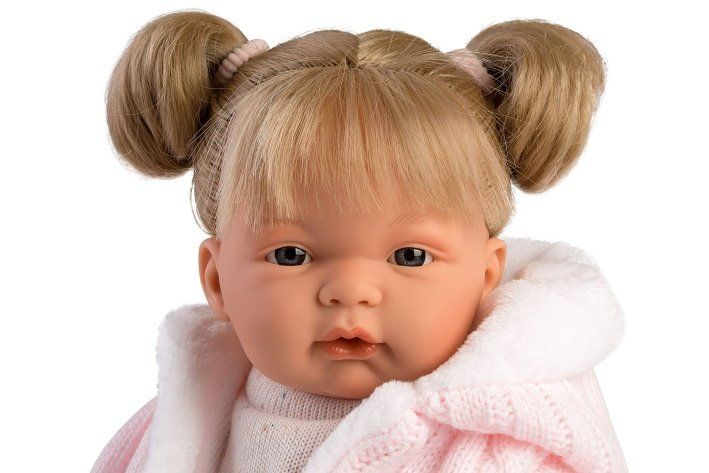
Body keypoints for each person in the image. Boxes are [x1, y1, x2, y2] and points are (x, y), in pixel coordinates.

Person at [92, 9, 627, 472]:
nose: (350, 291)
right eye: (290, 255)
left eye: (410, 256)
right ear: (216, 281)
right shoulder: (178, 422)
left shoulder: (509, 448)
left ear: (485, 276)